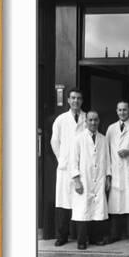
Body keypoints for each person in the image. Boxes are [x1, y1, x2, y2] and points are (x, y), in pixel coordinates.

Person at [69, 111, 111, 250]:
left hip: (99, 179)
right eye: (90, 120)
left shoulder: (103, 139)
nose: (93, 123)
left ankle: (95, 238)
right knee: (83, 210)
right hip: (84, 179)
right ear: (86, 121)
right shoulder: (78, 139)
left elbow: (108, 160)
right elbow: (73, 161)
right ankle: (81, 241)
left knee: (97, 210)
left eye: (95, 120)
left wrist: (108, 177)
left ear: (99, 121)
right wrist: (76, 181)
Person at [105, 101, 129, 244]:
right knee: (115, 206)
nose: (122, 112)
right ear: (117, 111)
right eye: (120, 110)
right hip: (116, 172)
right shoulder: (111, 129)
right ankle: (114, 234)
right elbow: (106, 153)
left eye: (125, 110)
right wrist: (108, 174)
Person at [50, 88, 86, 246]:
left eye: (78, 98)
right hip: (65, 168)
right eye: (73, 98)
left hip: (82, 166)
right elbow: (54, 142)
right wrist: (62, 159)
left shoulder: (87, 118)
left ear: (82, 101)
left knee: (81, 202)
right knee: (64, 203)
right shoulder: (61, 119)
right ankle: (62, 236)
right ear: (68, 100)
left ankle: (81, 238)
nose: (75, 101)